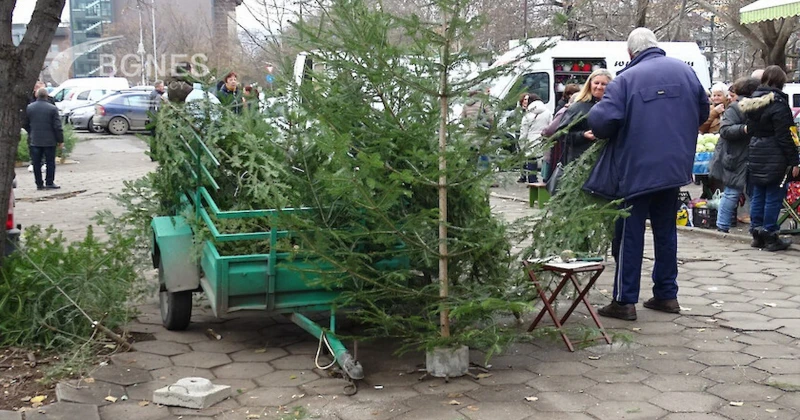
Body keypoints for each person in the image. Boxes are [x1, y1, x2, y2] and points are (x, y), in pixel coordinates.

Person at [584, 27, 709, 321]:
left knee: (630, 232)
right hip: (674, 167)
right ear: (656, 45)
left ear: (631, 53)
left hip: (636, 169)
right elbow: (703, 111)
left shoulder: (626, 79)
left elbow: (603, 122)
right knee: (666, 230)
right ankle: (667, 294)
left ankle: (624, 301)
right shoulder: (686, 72)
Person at [738, 65, 799, 251]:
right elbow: (786, 135)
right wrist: (795, 160)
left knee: (759, 194)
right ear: (781, 82)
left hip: (757, 152)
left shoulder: (752, 103)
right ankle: (770, 234)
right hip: (775, 154)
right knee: (774, 195)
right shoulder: (779, 104)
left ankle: (757, 233)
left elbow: (752, 129)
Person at [710, 77, 760, 233]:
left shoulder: (757, 106)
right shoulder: (736, 108)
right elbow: (725, 130)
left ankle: (754, 228)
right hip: (737, 156)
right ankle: (722, 226)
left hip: (749, 155)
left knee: (750, 192)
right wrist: (745, 129)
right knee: (732, 192)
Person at [556, 68, 613, 165]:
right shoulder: (578, 107)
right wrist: (583, 135)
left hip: (606, 161)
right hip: (580, 163)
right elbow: (561, 134)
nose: (599, 87)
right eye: (596, 83)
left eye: (604, 84)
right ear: (590, 84)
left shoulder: (614, 107)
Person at [24, 88, 64, 190]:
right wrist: (60, 140)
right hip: (49, 140)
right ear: (47, 96)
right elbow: (57, 126)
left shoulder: (29, 108)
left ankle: (39, 184)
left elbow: (25, 123)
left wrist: (31, 131)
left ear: (36, 96)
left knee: (36, 163)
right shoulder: (52, 108)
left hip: (35, 139)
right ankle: (49, 182)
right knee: (50, 162)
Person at [518, 93, 552, 183]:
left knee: (531, 159)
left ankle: (532, 179)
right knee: (545, 159)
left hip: (531, 138)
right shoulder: (547, 112)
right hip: (543, 138)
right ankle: (545, 178)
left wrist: (522, 144)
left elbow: (524, 130)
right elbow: (550, 125)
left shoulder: (528, 114)